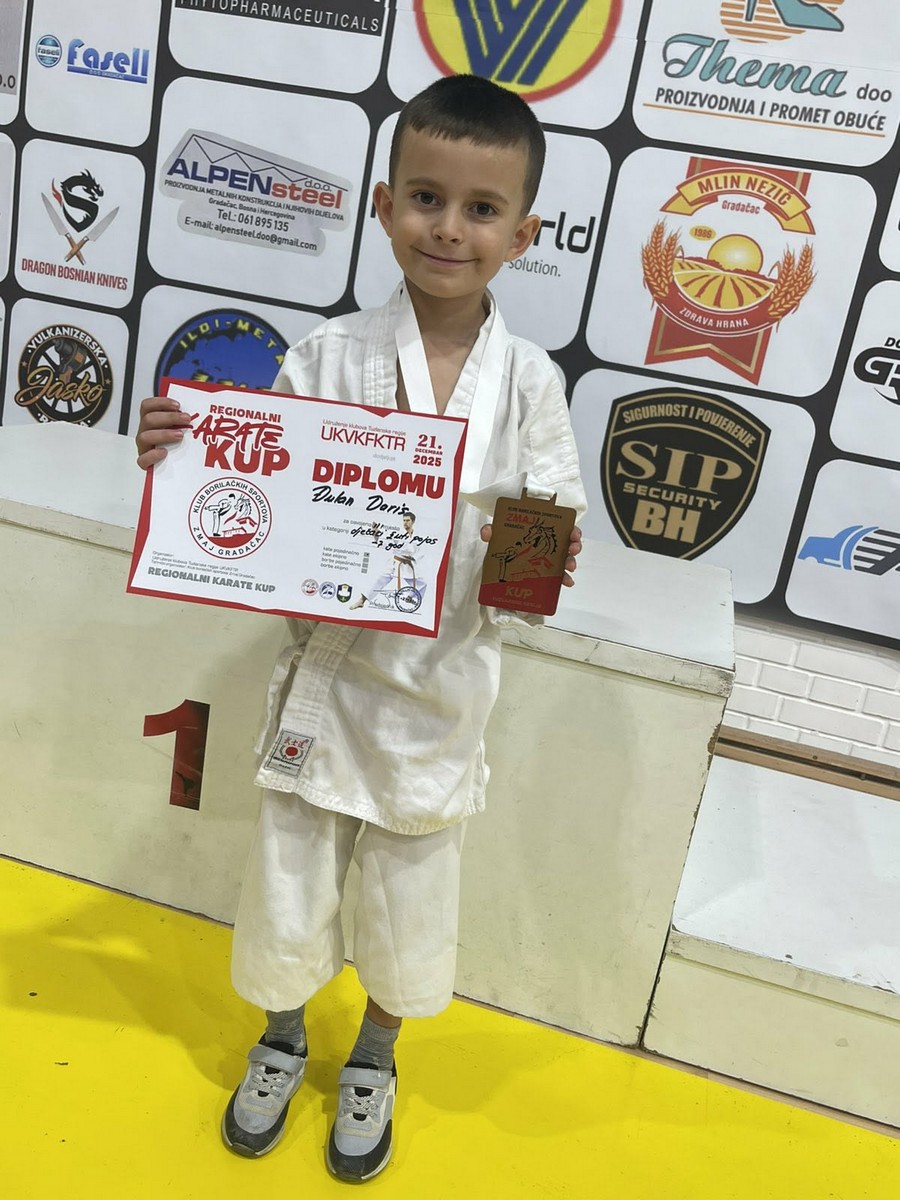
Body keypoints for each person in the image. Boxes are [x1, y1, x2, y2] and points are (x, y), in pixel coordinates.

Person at [135, 73, 586, 1184]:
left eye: (482, 209)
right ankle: (283, 1040)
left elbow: (540, 546)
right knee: (287, 879)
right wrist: (183, 458)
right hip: (325, 684)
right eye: (426, 198)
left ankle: (375, 1057)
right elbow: (255, 501)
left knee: (408, 895)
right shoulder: (328, 355)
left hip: (440, 693)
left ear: (524, 234)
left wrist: (540, 562)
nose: (450, 228)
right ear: (385, 207)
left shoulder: (529, 386)